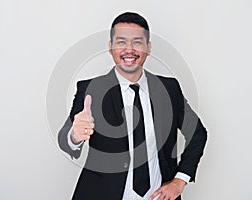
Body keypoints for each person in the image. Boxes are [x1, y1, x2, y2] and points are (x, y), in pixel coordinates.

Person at [58, 12, 207, 200]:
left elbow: (197, 133)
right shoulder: (90, 89)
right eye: (121, 42)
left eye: (137, 42)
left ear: (148, 48)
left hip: (158, 196)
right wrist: (75, 135)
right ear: (110, 47)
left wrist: (180, 180)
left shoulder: (169, 89)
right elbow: (66, 140)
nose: (129, 49)